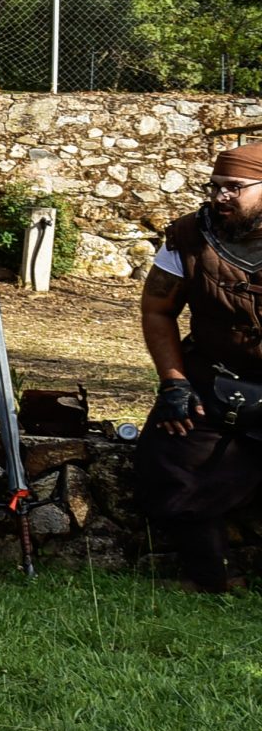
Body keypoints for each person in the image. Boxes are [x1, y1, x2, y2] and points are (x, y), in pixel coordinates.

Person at [137, 142, 262, 593]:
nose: (221, 196)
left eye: (235, 187)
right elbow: (157, 309)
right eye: (215, 187)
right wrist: (174, 382)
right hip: (214, 378)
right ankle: (212, 579)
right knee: (170, 460)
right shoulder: (190, 237)